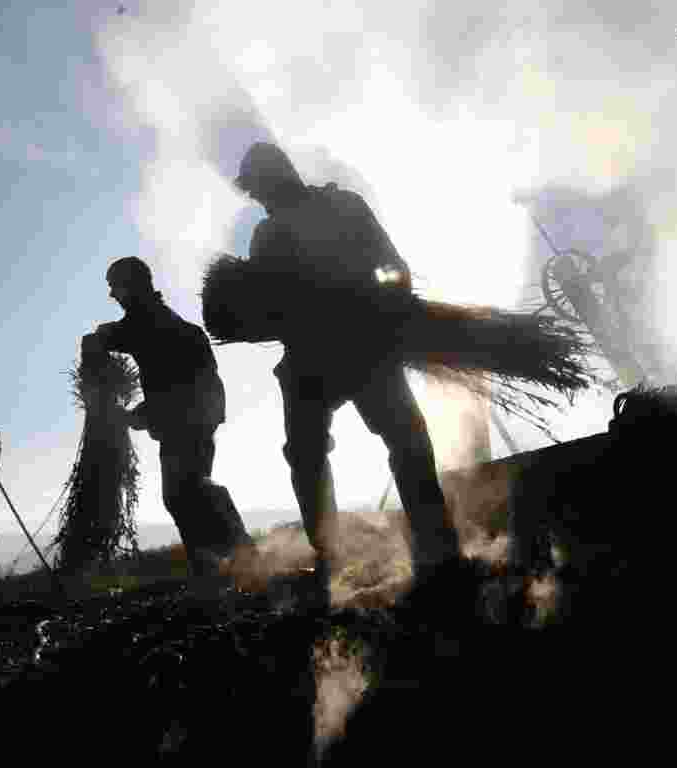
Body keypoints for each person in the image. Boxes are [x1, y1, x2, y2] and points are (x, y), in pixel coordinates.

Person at [232, 142, 462, 608]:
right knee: (306, 452)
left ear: (279, 176)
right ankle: (330, 554)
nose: (258, 199)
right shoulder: (265, 235)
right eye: (253, 193)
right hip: (309, 358)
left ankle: (437, 545)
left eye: (259, 189)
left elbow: (393, 267)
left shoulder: (342, 206)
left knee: (405, 436)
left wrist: (390, 312)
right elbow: (264, 306)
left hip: (364, 345)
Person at [83, 257, 253, 588]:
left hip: (190, 416)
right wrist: (143, 413)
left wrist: (95, 369)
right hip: (195, 414)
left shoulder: (149, 320)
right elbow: (168, 374)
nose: (113, 296)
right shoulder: (157, 320)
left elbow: (112, 339)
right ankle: (211, 568)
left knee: (187, 489)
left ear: (130, 286)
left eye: (114, 288)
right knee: (183, 493)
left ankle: (239, 553)